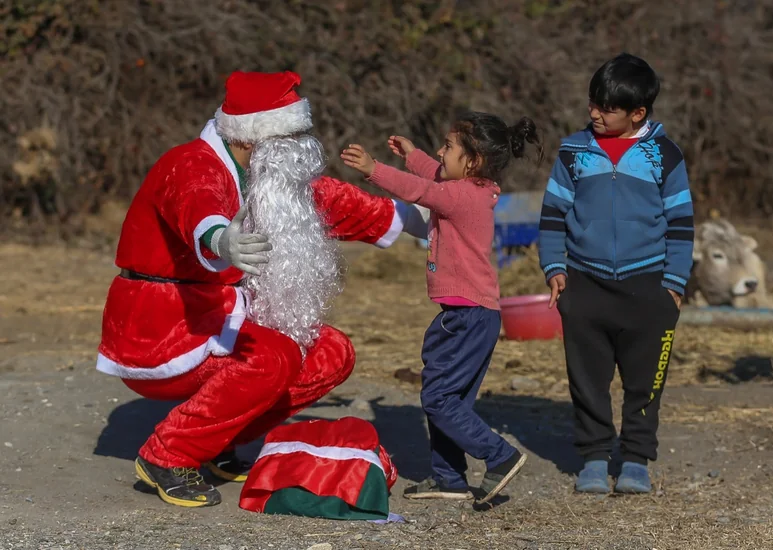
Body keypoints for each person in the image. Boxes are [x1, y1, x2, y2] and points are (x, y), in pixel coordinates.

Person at [96, 70, 423, 508]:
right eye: (289, 136)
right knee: (273, 357)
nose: (301, 146)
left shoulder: (272, 179)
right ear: (252, 137)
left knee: (330, 352)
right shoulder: (191, 163)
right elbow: (198, 205)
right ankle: (168, 454)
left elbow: (337, 203)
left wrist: (425, 218)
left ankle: (215, 441)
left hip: (220, 315)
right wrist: (221, 240)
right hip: (163, 323)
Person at [341, 111, 541, 504]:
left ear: (473, 162)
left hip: (467, 316)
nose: (439, 151)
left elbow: (420, 191)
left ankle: (500, 456)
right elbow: (434, 174)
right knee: (451, 399)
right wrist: (412, 154)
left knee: (438, 399)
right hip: (469, 314)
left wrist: (373, 169)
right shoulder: (472, 187)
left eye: (448, 147)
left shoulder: (460, 195)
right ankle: (449, 478)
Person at [538, 53, 694, 494]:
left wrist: (674, 285)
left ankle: (637, 459)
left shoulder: (664, 156)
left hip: (649, 286)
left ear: (637, 114)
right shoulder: (573, 152)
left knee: (645, 380)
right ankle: (593, 456)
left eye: (606, 108)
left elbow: (682, 223)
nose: (594, 113)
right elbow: (552, 217)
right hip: (585, 284)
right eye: (593, 103)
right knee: (587, 378)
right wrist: (554, 268)